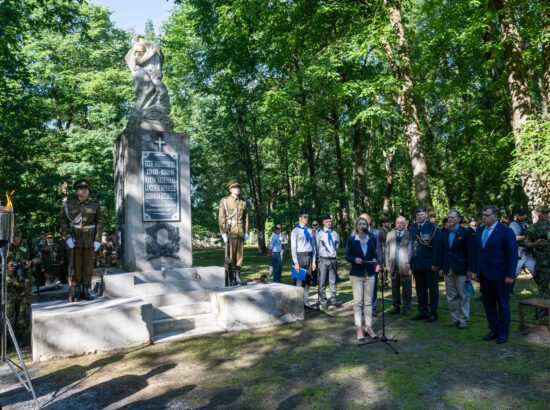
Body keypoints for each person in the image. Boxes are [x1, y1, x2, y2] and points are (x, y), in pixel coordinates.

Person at [476, 206, 517, 344]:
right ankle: (493, 329)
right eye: (483, 215)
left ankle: (503, 332)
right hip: (484, 274)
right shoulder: (480, 230)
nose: (484, 217)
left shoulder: (506, 231)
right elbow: (478, 252)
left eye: (486, 215)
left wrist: (510, 274)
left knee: (503, 304)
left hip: (500, 274)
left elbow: (512, 254)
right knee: (488, 303)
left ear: (495, 216)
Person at [60, 180, 104, 302]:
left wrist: (98, 239)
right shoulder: (69, 204)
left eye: (86, 188)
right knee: (76, 266)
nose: (83, 190)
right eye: (80, 188)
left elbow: (100, 222)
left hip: (90, 239)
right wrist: (67, 237)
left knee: (88, 266)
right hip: (75, 239)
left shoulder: (95, 205)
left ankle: (86, 289)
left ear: (88, 191)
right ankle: (77, 290)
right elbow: (63, 222)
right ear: (76, 191)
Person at [439, 210, 476, 329]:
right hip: (447, 268)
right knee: (451, 295)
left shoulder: (465, 232)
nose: (449, 219)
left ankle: (464, 320)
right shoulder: (444, 232)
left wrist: (470, 269)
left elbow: (470, 252)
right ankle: (455, 318)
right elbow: (442, 252)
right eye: (448, 217)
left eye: (452, 217)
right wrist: (441, 267)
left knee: (463, 295)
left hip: (461, 268)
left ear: (458, 220)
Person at [346, 216, 380, 342]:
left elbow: (375, 254)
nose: (362, 226)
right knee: (358, 302)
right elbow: (347, 256)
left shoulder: (371, 239)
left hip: (370, 273)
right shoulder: (351, 240)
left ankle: (369, 327)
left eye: (364, 224)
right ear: (356, 226)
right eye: (360, 224)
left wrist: (377, 263)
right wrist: (354, 259)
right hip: (356, 274)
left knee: (368, 302)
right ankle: (359, 328)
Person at [6, 227, 40, 344]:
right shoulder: (5, 245)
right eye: (12, 239)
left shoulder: (28, 243)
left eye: (16, 239)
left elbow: (38, 257)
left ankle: (22, 341)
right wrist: (7, 266)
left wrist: (30, 262)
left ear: (20, 237)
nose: (14, 241)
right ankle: (8, 341)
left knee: (23, 314)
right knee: (8, 313)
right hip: (9, 285)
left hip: (25, 284)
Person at [409, 206, 442, 322]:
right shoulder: (413, 227)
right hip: (417, 264)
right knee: (420, 289)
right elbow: (412, 246)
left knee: (433, 290)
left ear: (426, 215)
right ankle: (422, 311)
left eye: (422, 214)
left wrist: (435, 263)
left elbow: (437, 248)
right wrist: (410, 263)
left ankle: (433, 313)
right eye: (418, 214)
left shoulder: (433, 228)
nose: (419, 216)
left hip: (429, 265)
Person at [218, 180, 248, 286]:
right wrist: (223, 233)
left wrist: (245, 231)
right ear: (230, 189)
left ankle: (237, 277)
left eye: (238, 187)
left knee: (240, 256)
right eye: (235, 187)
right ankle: (230, 279)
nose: (237, 189)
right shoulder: (225, 201)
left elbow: (245, 219)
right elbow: (221, 218)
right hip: (230, 232)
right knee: (230, 256)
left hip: (239, 232)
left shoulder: (242, 202)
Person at [385, 216, 412, 315]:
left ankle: (407, 308)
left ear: (405, 224)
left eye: (402, 223)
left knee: (407, 289)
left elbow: (412, 251)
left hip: (406, 266)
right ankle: (396, 307)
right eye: (398, 223)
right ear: (395, 224)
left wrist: (411, 266)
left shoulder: (409, 234)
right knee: (394, 289)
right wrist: (387, 264)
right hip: (393, 266)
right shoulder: (390, 234)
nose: (400, 224)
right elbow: (386, 251)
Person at [316, 214, 342, 309]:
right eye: (326, 221)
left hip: (333, 259)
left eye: (330, 221)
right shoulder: (319, 234)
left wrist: (333, 254)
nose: (328, 223)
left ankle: (333, 300)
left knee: (333, 281)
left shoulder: (335, 233)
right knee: (322, 281)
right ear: (323, 222)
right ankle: (323, 301)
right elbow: (317, 247)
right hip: (323, 259)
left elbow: (337, 246)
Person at [291, 210, 316, 306]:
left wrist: (314, 261)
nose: (306, 218)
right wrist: (296, 262)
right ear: (300, 218)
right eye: (304, 216)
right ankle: (298, 303)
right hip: (300, 256)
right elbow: (293, 248)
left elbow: (313, 246)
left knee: (308, 280)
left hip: (309, 256)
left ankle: (306, 302)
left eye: (307, 217)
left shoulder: (310, 230)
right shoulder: (295, 231)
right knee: (299, 281)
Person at [525, 205, 550, 303]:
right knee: (543, 285)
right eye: (543, 212)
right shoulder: (532, 228)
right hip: (543, 261)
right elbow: (527, 244)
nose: (546, 214)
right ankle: (544, 308)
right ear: (537, 213)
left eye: (547, 212)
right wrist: (535, 243)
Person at [359, 213, 383, 313]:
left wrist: (378, 263)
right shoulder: (355, 232)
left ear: (369, 221)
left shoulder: (376, 232)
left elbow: (379, 249)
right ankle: (362, 307)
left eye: (364, 220)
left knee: (372, 287)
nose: (362, 223)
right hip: (360, 264)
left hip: (372, 264)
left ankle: (372, 308)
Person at [509, 207, 535, 295]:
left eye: (523, 214)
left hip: (528, 251)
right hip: (518, 251)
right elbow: (513, 237)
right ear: (516, 215)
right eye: (520, 214)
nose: (522, 216)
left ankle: (544, 290)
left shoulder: (526, 224)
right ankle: (508, 292)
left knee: (535, 269)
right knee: (514, 272)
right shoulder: (513, 224)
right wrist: (526, 237)